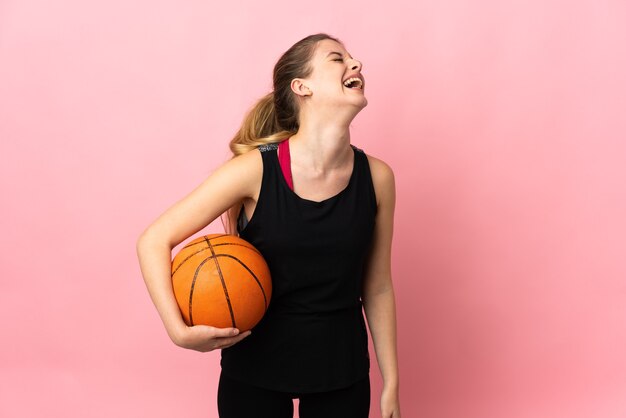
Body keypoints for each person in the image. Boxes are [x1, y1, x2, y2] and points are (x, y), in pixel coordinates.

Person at [136, 33, 401, 418]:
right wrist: (178, 331)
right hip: (253, 371)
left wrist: (391, 382)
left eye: (353, 58)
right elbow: (153, 240)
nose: (356, 64)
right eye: (336, 58)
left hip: (341, 371)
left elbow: (377, 287)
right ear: (302, 87)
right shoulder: (254, 171)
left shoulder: (378, 178)